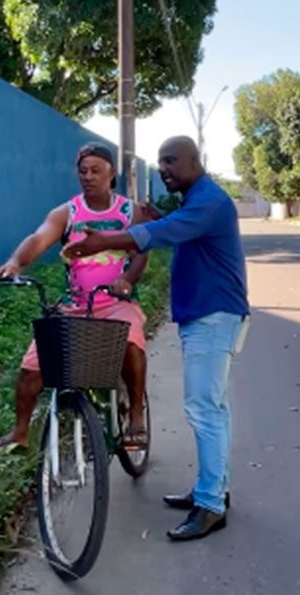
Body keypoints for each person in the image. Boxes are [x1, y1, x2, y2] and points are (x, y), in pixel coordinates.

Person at [64, 136, 249, 541]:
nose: (163, 168)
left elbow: (163, 233)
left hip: (213, 315)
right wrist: (149, 220)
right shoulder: (197, 199)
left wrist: (103, 241)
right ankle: (213, 489)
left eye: (170, 161)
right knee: (212, 407)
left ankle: (212, 505)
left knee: (204, 409)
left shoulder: (210, 202)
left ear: (194, 161)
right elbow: (166, 224)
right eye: (161, 161)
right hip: (206, 313)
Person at [0, 142, 150, 451]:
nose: (88, 176)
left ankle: (137, 415)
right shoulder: (67, 212)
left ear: (111, 173)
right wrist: (15, 262)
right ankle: (20, 433)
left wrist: (127, 280)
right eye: (83, 171)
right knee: (32, 366)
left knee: (131, 340)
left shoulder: (130, 211)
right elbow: (38, 238)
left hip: (116, 303)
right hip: (76, 304)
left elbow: (141, 253)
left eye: (96, 170)